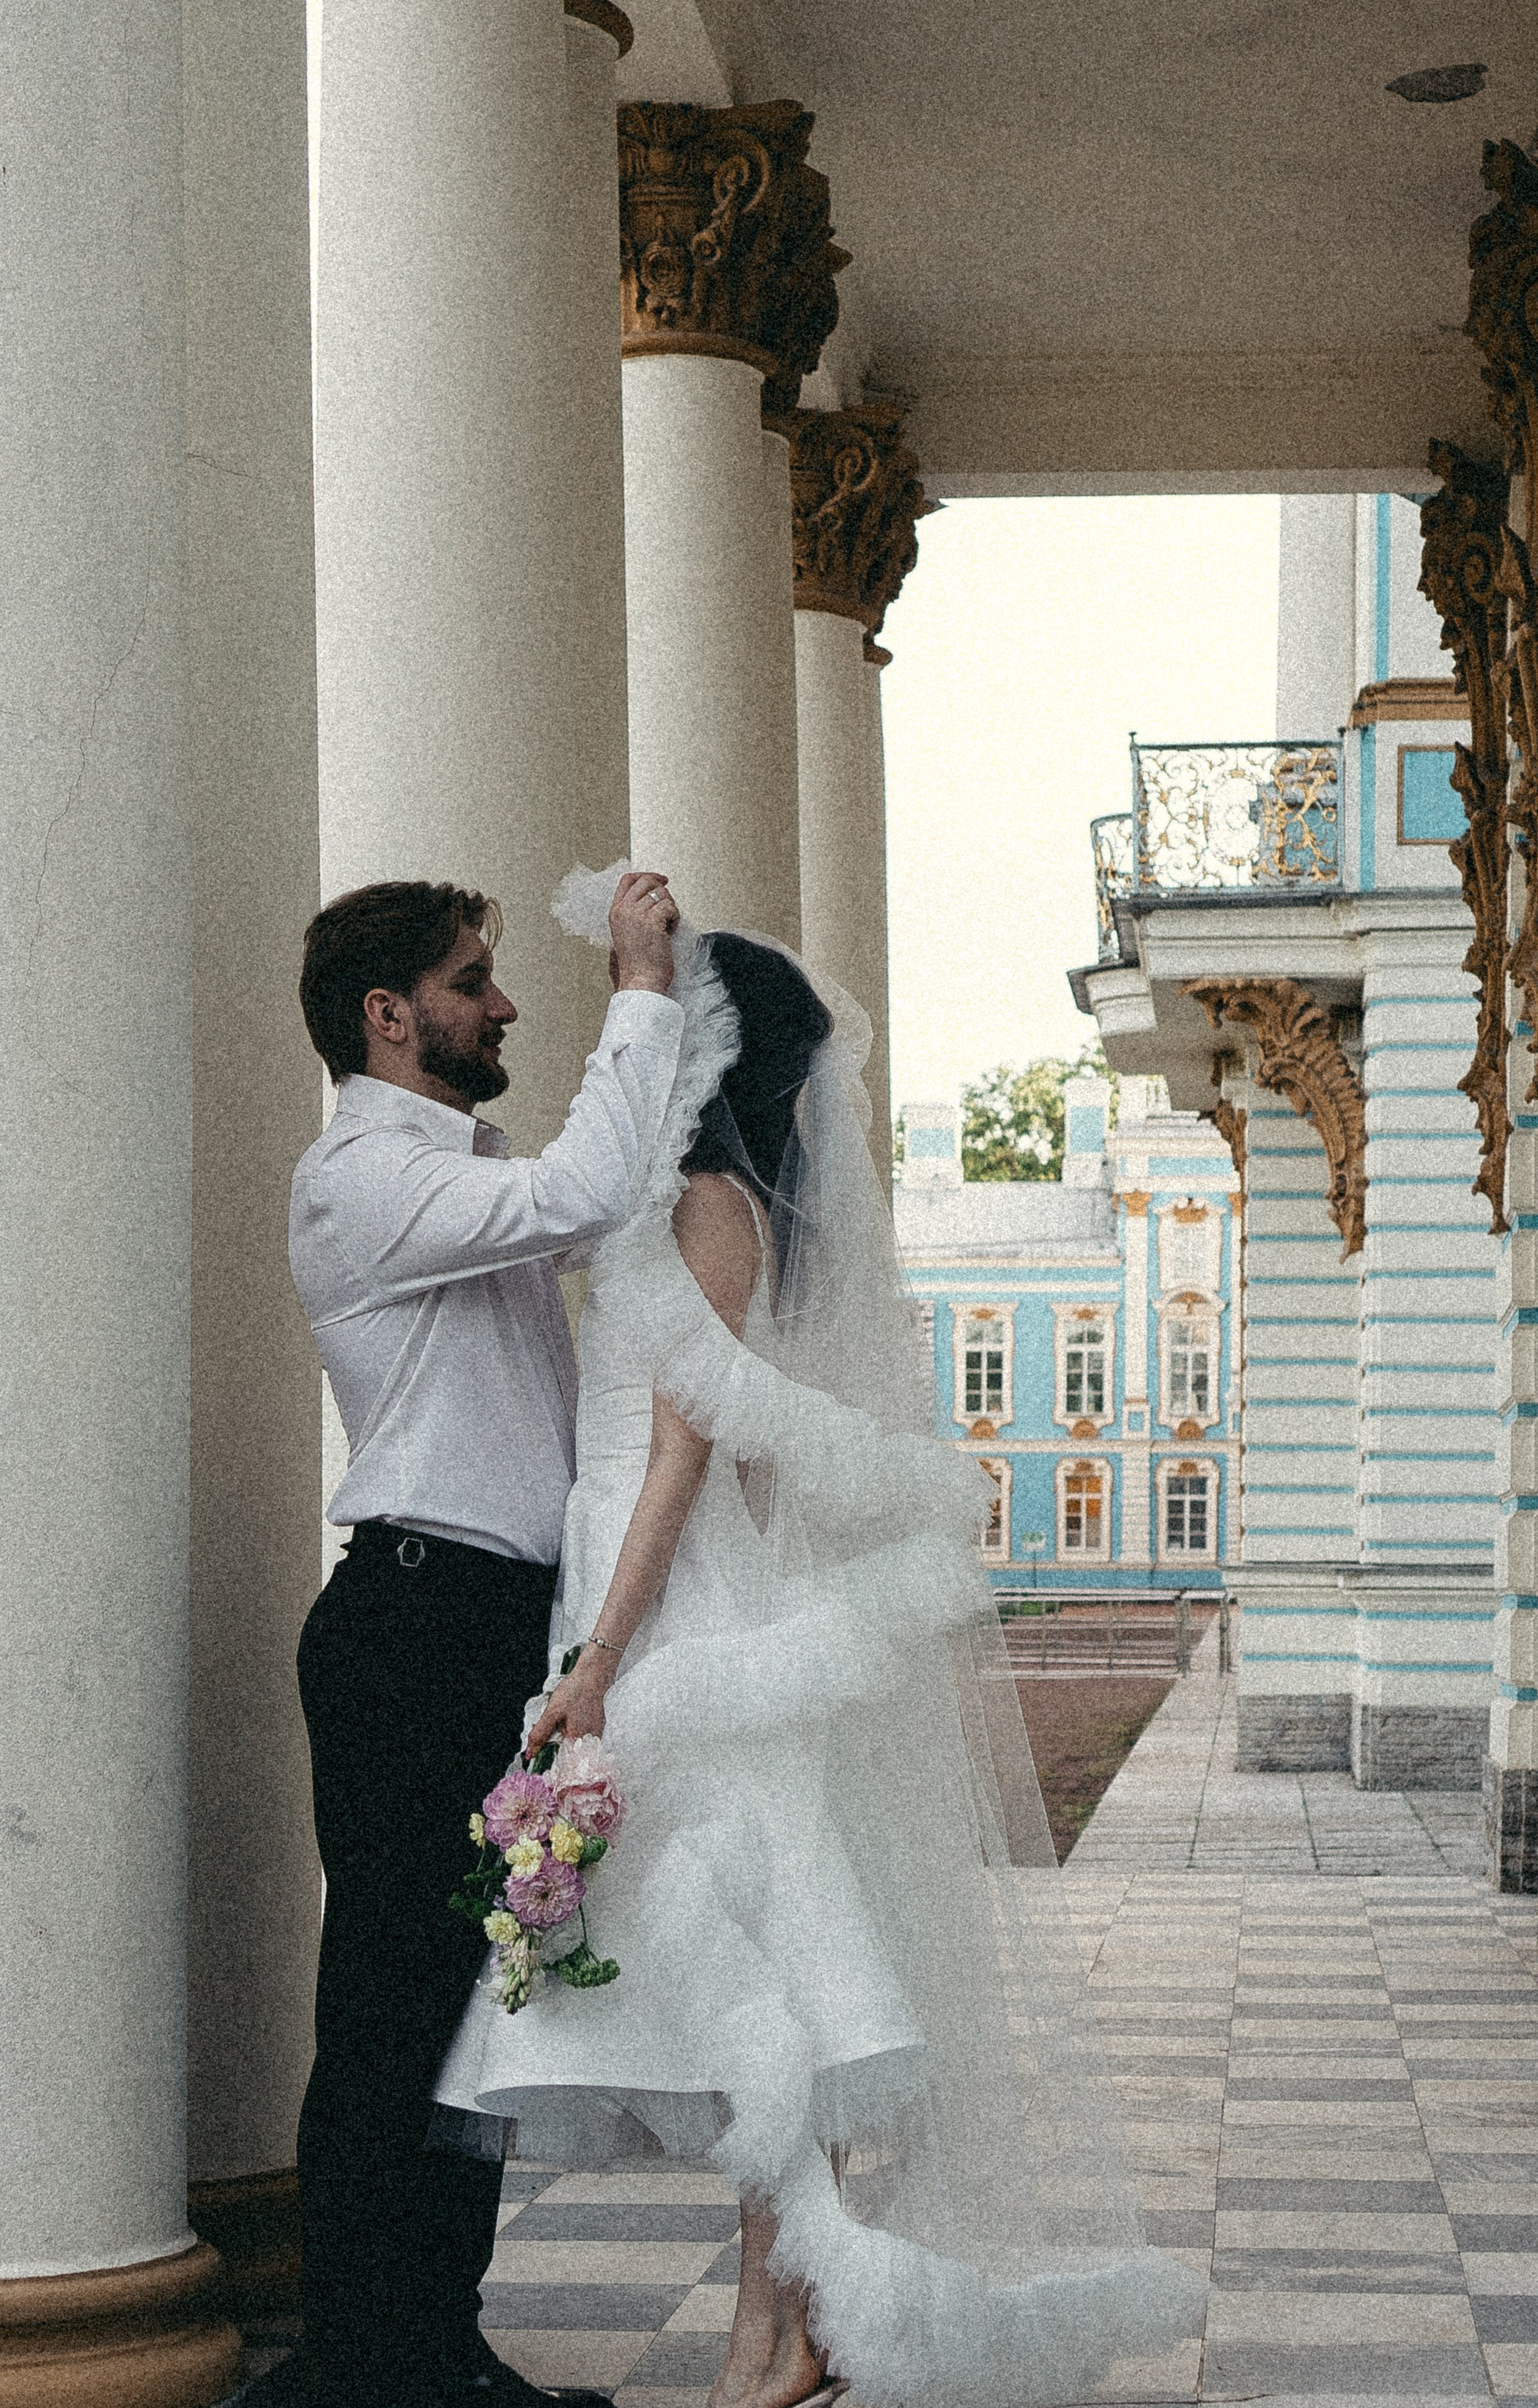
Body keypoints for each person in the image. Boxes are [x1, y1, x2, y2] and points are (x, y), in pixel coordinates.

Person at [437, 870, 1208, 2408]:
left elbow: (681, 1456)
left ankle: (774, 2329)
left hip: (672, 1602)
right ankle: (775, 2326)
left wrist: (599, 1663)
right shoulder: (701, 1208)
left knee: (765, 1972)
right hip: (655, 1575)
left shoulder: (705, 1212)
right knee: (752, 1979)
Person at [279, 869, 686, 2408]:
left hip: (484, 1625)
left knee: (460, 2018)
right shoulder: (363, 1177)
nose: (502, 1004)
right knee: (391, 2009)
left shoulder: (454, 1166)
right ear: (389, 1017)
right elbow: (583, 1198)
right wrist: (637, 989)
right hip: (412, 1619)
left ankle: (426, 2354)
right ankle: (361, 2368)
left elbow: (604, 1213)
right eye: (471, 980)